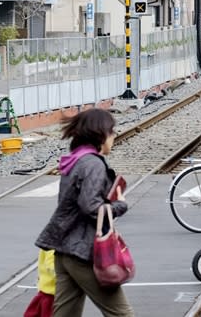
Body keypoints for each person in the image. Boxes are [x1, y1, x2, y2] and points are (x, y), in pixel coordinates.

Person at [35, 108, 133, 317]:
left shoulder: (75, 160)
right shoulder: (93, 164)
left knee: (65, 314)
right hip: (84, 252)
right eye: (111, 131)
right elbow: (91, 205)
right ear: (100, 134)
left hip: (64, 251)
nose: (114, 136)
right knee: (122, 314)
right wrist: (119, 206)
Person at [24, 250, 56, 317]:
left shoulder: (49, 242)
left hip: (46, 288)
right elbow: (52, 265)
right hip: (52, 290)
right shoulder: (55, 243)